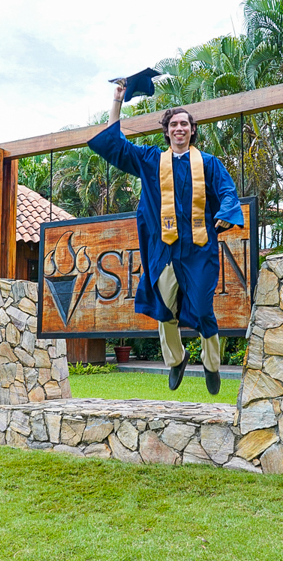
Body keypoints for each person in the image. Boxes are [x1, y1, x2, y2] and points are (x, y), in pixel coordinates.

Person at [87, 84, 244, 395]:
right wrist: (117, 102)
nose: (179, 128)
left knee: (203, 309)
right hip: (164, 250)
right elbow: (117, 145)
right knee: (164, 308)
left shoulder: (209, 163)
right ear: (167, 131)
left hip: (199, 249)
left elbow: (228, 191)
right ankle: (176, 359)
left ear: (192, 130)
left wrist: (227, 211)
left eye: (184, 123)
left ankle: (212, 364)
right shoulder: (151, 161)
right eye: (173, 124)